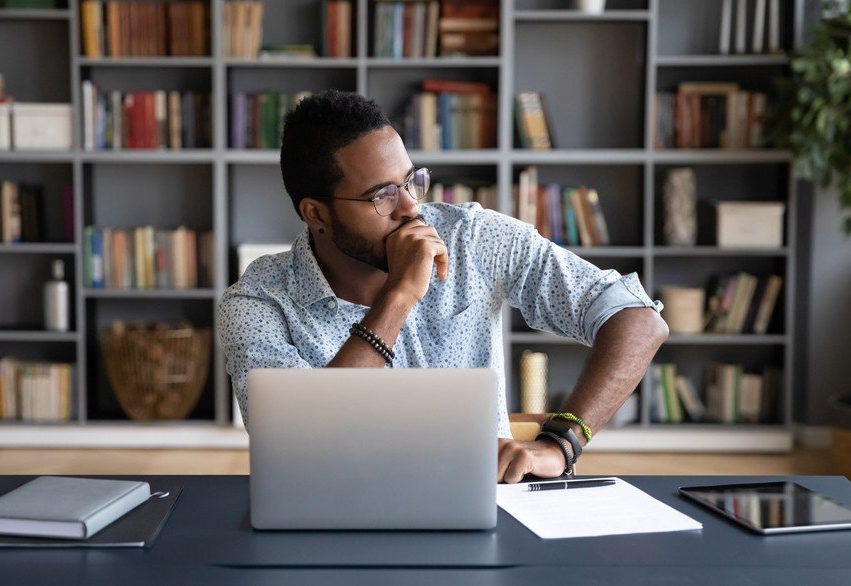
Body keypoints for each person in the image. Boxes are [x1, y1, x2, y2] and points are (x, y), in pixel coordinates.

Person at [217, 89, 668, 484]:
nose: (412, 208)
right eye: (381, 196)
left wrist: (563, 441)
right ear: (315, 214)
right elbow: (296, 447)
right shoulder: (257, 304)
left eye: (411, 181)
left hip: (487, 503)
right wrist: (399, 296)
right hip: (337, 518)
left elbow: (639, 319)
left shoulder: (472, 237)